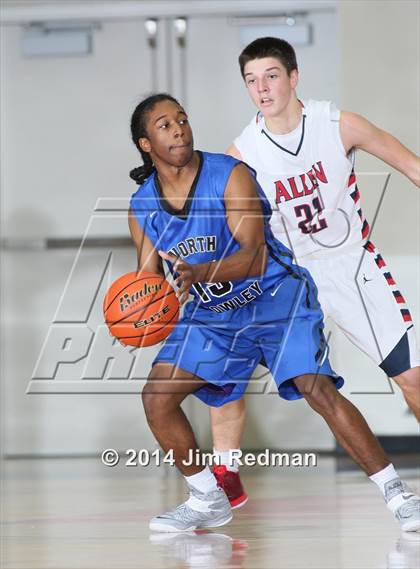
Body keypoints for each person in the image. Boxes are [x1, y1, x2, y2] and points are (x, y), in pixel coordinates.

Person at [128, 93, 419, 532]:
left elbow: (256, 256)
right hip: (216, 315)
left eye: (182, 119)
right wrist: (138, 316)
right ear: (145, 143)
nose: (179, 129)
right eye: (165, 125)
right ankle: (207, 497)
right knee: (156, 398)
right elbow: (148, 283)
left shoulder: (229, 174)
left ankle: (399, 495)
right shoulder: (142, 206)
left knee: (315, 388)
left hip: (275, 297)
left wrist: (198, 272)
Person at [210, 36, 420, 523]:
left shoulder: (337, 123)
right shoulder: (241, 153)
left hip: (349, 265)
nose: (261, 89)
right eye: (251, 80)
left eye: (271, 76)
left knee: (411, 376)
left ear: (294, 76)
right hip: (289, 279)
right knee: (236, 374)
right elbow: (228, 228)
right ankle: (216, 489)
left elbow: (411, 166)